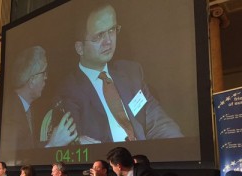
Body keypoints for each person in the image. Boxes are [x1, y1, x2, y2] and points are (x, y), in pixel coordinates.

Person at [58, 0, 183, 144]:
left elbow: (159, 122)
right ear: (80, 48)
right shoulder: (68, 90)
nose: (108, 42)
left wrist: (179, 149)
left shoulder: (131, 72)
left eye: (111, 30)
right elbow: (75, 143)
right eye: (99, 36)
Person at [0, 45, 78, 152]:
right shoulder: (10, 113)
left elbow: (29, 147)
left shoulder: (25, 107)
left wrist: (74, 142)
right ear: (32, 80)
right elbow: (15, 155)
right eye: (44, 73)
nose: (46, 77)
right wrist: (53, 144)